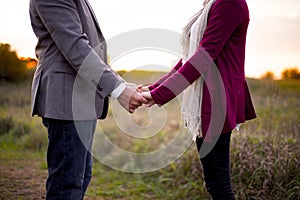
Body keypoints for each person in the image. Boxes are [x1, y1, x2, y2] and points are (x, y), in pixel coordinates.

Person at [29, 0, 147, 199]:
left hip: (81, 99)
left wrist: (122, 84)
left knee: (81, 177)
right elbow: (76, 47)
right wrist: (118, 90)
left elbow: (91, 50)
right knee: (68, 185)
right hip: (66, 100)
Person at [141, 0, 256, 199]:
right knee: (214, 182)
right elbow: (189, 57)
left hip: (218, 100)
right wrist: (155, 89)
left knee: (218, 184)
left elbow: (203, 56)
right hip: (208, 98)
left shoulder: (229, 3)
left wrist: (160, 94)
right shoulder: (215, 3)